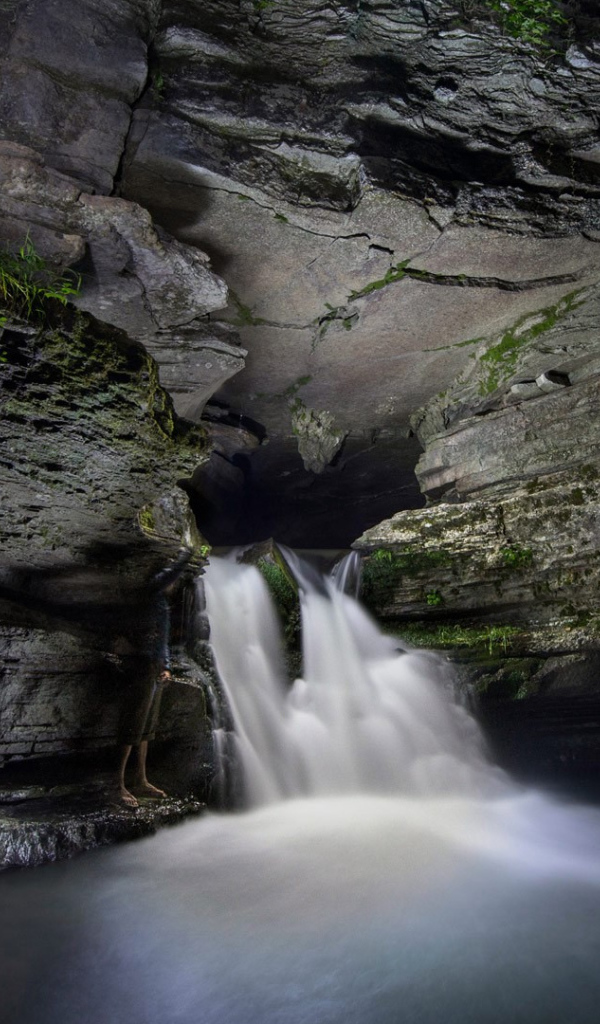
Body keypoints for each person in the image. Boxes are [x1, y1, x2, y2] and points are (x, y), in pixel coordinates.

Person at [114, 547, 192, 807]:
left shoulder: (162, 605)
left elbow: (163, 641)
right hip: (140, 665)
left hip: (156, 667)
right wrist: (188, 553)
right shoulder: (150, 594)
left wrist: (167, 666)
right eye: (173, 579)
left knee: (147, 727)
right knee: (132, 726)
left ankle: (141, 779)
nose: (175, 584)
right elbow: (168, 574)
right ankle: (118, 784)